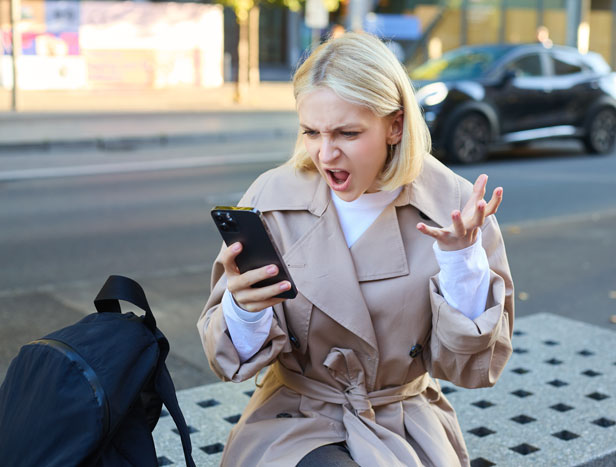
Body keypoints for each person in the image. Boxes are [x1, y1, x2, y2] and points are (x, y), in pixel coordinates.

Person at [198, 32, 514, 466]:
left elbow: (474, 368)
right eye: (311, 131)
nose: (326, 154)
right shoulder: (270, 197)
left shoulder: (456, 207)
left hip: (400, 420)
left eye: (348, 133)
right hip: (293, 418)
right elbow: (230, 362)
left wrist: (461, 261)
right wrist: (244, 310)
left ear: (395, 125)